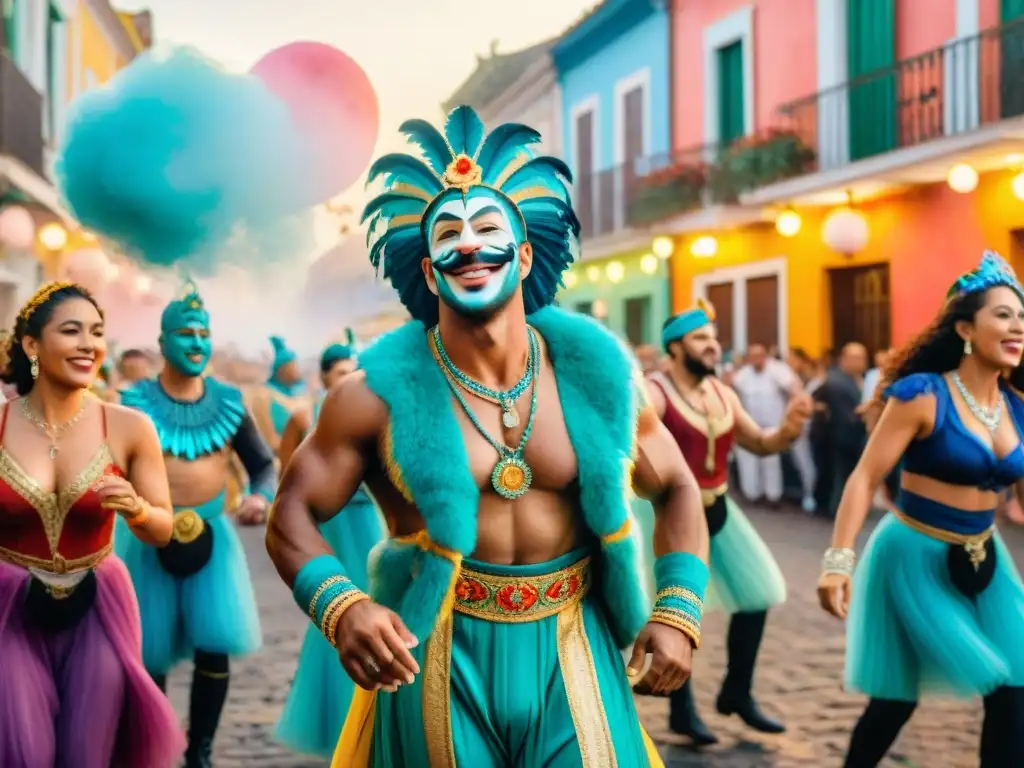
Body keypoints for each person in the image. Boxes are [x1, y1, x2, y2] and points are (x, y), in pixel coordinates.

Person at [267, 105, 710, 767]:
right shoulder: (370, 398)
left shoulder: (599, 381)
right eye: (448, 232)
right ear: (427, 270)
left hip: (575, 640)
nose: (469, 245)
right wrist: (343, 607)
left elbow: (676, 485)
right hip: (434, 649)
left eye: (487, 228)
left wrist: (678, 612)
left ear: (526, 253)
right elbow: (292, 514)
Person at [818, 251, 1024, 768]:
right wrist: (837, 562)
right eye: (1003, 314)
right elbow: (864, 476)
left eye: (1022, 317)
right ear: (965, 329)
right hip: (913, 554)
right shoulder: (922, 395)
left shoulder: (1017, 406)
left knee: (1016, 687)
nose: (1017, 325)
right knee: (896, 699)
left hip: (986, 556)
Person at [0, 282, 184, 767]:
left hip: (98, 608)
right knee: (24, 752)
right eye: (71, 331)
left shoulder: (128, 426)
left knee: (88, 753)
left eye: (97, 332)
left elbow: (162, 528)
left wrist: (138, 510)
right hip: (9, 610)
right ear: (32, 346)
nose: (89, 344)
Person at [117, 281, 276, 768]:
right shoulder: (131, 401)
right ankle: (156, 745)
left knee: (214, 648)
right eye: (185, 332)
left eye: (204, 333)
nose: (196, 342)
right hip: (145, 536)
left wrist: (259, 497)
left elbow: (263, 465)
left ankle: (200, 750)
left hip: (214, 540)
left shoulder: (230, 403)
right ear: (162, 343)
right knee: (151, 654)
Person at [646, 300, 811, 745]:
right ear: (675, 346)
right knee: (681, 609)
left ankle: (737, 692)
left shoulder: (722, 394)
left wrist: (790, 427)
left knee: (759, 595)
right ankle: (681, 708)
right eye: (701, 339)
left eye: (715, 339)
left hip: (719, 508)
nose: (713, 347)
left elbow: (759, 442)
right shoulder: (654, 393)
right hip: (669, 514)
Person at [275, 335, 386, 758]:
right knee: (341, 606)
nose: (349, 379)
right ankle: (339, 718)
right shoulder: (307, 417)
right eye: (340, 373)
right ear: (325, 377)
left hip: (368, 523)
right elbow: (290, 480)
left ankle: (375, 716)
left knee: (376, 604)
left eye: (352, 371)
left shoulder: (370, 413)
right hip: (333, 526)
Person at [731, 343, 801, 507]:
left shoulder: (777, 370)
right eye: (752, 356)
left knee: (771, 460)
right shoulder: (743, 374)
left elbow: (793, 388)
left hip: (773, 424)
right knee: (748, 459)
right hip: (750, 424)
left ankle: (772, 496)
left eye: (759, 356)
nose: (756, 360)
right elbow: (734, 390)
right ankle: (753, 494)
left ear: (765, 356)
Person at [813, 342, 869, 518]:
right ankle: (837, 510)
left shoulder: (857, 378)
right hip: (840, 438)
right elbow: (846, 415)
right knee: (840, 477)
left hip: (850, 437)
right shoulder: (837, 382)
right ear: (845, 359)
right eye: (857, 358)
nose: (862, 362)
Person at [248, 335, 311, 458]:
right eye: (291, 367)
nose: (296, 370)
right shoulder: (264, 396)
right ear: (280, 371)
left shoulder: (303, 395)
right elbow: (267, 439)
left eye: (295, 365)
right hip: (277, 461)